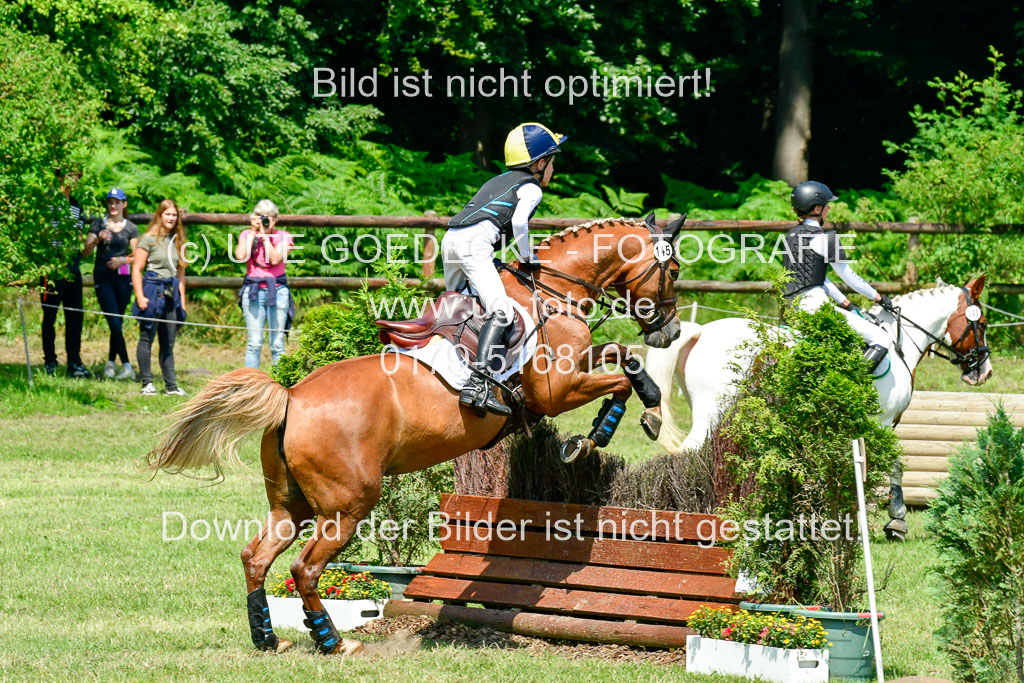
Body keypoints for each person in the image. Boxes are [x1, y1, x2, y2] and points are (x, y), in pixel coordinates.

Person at [442, 122, 565, 416]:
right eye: (552, 161)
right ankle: (478, 384)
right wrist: (527, 256)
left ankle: (450, 367)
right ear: (540, 164)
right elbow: (520, 223)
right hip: (474, 246)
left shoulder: (499, 180)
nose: (553, 169)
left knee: (461, 304)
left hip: (450, 241)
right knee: (502, 311)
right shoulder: (532, 187)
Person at [781, 181, 894, 371]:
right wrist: (878, 297)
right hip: (816, 308)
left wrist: (846, 303)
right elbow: (849, 277)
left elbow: (815, 279)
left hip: (791, 311)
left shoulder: (790, 237)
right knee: (882, 338)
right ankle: (854, 382)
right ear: (817, 208)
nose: (829, 209)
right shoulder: (827, 238)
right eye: (826, 205)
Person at [131, 199, 187, 396]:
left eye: (174, 215)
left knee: (168, 341)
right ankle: (147, 383)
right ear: (160, 215)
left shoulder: (178, 241)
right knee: (147, 337)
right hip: (152, 290)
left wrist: (182, 302)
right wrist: (140, 296)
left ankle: (171, 386)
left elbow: (181, 275)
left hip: (171, 294)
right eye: (167, 214)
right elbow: (136, 269)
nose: (171, 218)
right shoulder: (148, 239)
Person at [83, 188, 139, 380]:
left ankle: (110, 363)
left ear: (124, 204)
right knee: (113, 320)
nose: (113, 205)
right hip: (103, 277)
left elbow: (138, 256)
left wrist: (123, 260)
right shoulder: (99, 223)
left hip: (123, 278)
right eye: (110, 202)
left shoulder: (131, 228)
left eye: (117, 202)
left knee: (118, 321)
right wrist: (97, 239)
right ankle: (127, 364)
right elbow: (85, 252)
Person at [41, 169, 90, 377]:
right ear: (61, 177)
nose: (74, 181)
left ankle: (74, 362)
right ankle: (50, 360)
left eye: (77, 177)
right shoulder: (49, 202)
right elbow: (44, 233)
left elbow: (79, 235)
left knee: (75, 315)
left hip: (73, 266)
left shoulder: (76, 205)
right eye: (71, 176)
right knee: (50, 315)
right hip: (52, 268)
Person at [234, 199, 294, 368]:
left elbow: (275, 259)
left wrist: (266, 237)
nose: (265, 220)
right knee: (254, 344)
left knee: (277, 344)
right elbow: (240, 256)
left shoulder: (284, 236)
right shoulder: (247, 234)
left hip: (278, 291)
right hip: (253, 292)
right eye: (261, 216)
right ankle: (251, 382)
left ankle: (280, 381)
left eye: (269, 217)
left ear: (276, 219)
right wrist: (254, 232)